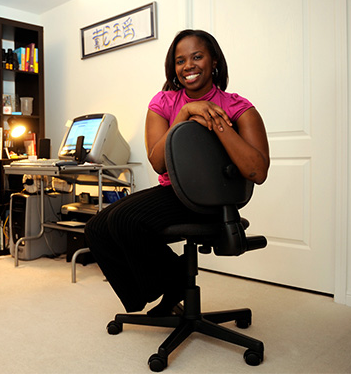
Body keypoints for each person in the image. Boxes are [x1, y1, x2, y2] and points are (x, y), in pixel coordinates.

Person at [84, 29, 270, 317]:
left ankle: (175, 282)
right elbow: (159, 163)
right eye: (180, 60)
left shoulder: (239, 108)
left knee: (124, 219)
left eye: (197, 57)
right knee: (96, 227)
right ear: (173, 68)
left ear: (214, 62)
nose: (188, 66)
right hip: (175, 192)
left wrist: (215, 118)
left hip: (216, 200)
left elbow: (257, 171)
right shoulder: (164, 103)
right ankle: (155, 292)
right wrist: (184, 114)